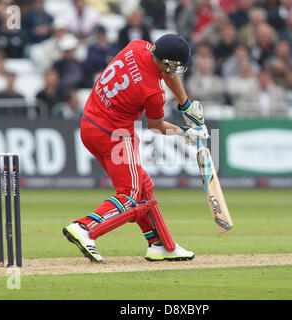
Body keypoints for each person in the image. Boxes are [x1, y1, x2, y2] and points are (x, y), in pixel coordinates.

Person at [62, 34, 208, 262]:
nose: (176, 70)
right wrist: (185, 133)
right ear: (167, 63)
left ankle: (160, 244)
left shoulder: (139, 46)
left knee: (143, 186)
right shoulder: (153, 92)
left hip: (89, 123)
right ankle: (85, 227)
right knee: (130, 195)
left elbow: (164, 72)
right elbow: (156, 126)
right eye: (175, 66)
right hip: (113, 135)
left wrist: (185, 105)